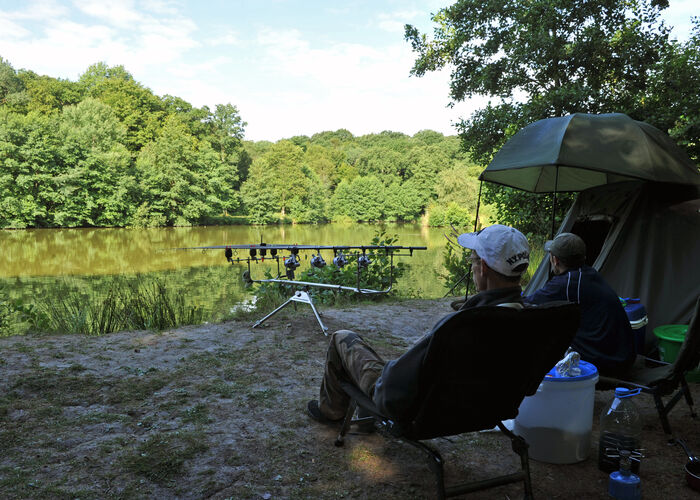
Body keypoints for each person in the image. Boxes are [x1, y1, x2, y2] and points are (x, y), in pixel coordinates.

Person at [306, 224, 530, 425]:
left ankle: (331, 412)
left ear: (482, 267)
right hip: (485, 405)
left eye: (472, 260)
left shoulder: (462, 325)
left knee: (342, 337)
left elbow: (396, 378)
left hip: (414, 408)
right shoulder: (534, 318)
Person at [523, 232, 635, 376]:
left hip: (606, 363)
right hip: (623, 357)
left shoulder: (566, 283)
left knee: (542, 334)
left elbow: (526, 305)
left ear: (555, 260)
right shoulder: (589, 274)